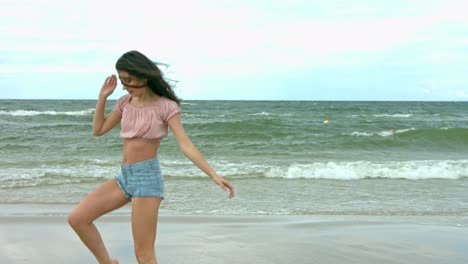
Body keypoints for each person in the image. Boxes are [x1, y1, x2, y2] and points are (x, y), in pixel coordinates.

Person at [67, 50, 235, 264]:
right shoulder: (124, 103)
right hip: (125, 177)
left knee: (144, 255)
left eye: (128, 80)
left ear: (143, 77)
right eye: (121, 80)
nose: (124, 85)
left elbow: (185, 144)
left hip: (147, 180)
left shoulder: (166, 107)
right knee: (78, 219)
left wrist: (214, 175)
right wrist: (102, 98)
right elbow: (98, 130)